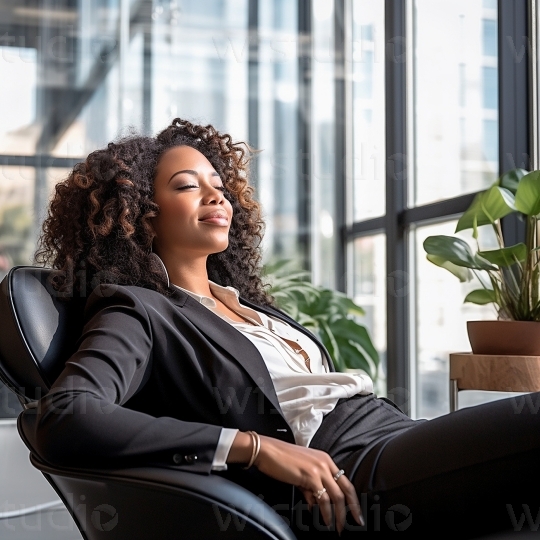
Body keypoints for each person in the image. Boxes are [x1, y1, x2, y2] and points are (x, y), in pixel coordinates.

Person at [19, 118, 540, 538]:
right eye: (187, 186)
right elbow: (67, 417)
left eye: (219, 186)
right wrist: (255, 447)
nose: (215, 197)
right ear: (144, 216)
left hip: (393, 432)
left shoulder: (250, 308)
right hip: (346, 470)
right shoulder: (139, 310)